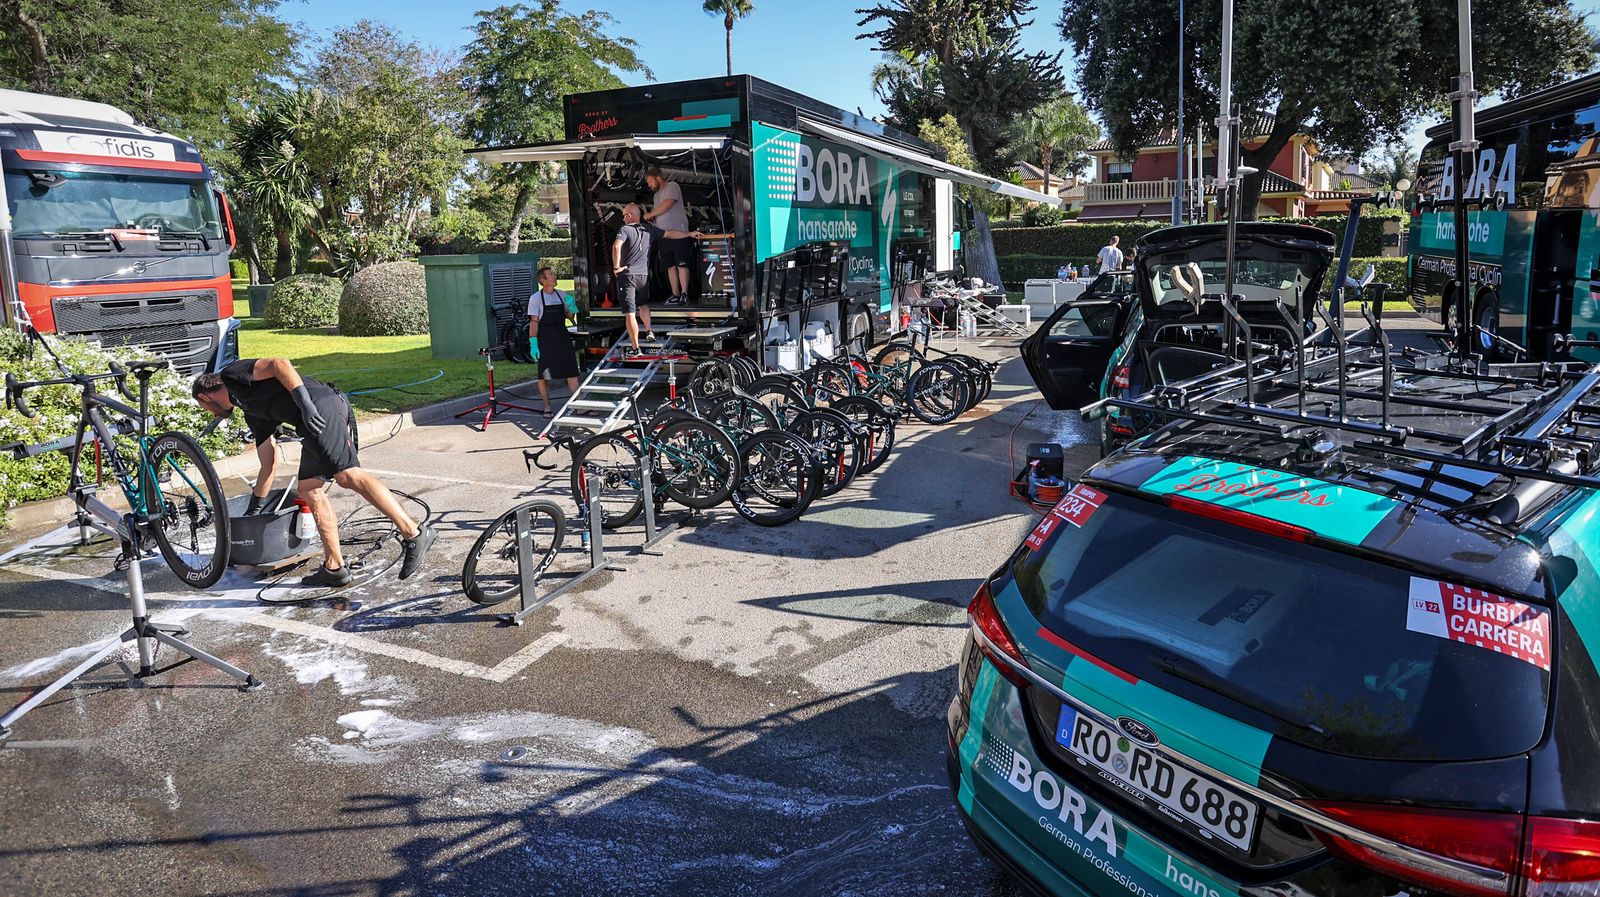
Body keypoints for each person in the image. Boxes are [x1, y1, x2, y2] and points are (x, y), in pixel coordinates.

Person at [191, 359, 436, 587]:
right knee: (309, 488)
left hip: (320, 406)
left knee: (347, 475)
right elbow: (268, 463)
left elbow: (279, 364)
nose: (210, 414)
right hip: (309, 424)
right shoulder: (252, 411)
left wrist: (305, 404)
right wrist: (255, 509)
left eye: (204, 407)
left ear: (204, 396)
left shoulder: (231, 375)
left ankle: (413, 532)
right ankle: (334, 567)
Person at [613, 203, 700, 355]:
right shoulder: (649, 229)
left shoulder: (624, 229)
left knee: (630, 313)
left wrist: (616, 268)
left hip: (628, 276)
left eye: (624, 215)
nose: (622, 218)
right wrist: (689, 234)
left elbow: (616, 246)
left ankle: (635, 349)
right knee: (643, 304)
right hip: (643, 276)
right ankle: (649, 331)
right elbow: (670, 234)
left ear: (629, 216)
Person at [528, 265, 581, 416]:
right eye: (551, 275)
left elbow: (570, 317)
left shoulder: (562, 295)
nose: (555, 276)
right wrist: (533, 344)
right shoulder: (536, 299)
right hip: (545, 340)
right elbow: (534, 322)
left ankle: (580, 406)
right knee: (544, 376)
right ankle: (547, 407)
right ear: (543, 280)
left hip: (562, 338)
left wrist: (571, 308)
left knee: (571, 372)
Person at [643, 167, 694, 305]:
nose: (649, 185)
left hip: (679, 233)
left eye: (650, 181)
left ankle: (684, 293)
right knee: (669, 266)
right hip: (664, 235)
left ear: (658, 178)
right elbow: (658, 209)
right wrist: (652, 217)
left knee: (681, 264)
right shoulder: (655, 196)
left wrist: (651, 214)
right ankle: (675, 294)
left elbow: (667, 204)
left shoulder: (672, 186)